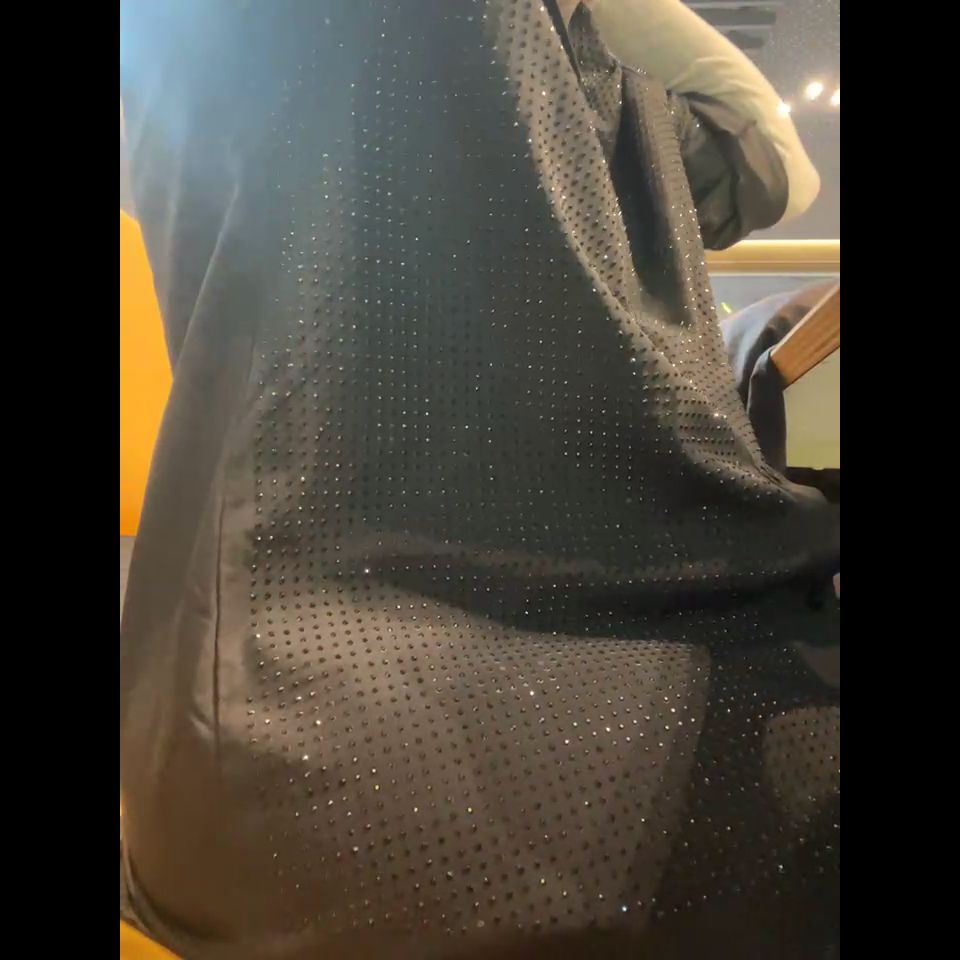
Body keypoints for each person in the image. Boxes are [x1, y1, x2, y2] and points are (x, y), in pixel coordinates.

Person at [120, 2, 839, 958]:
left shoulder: (172, 43)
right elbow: (776, 167)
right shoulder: (583, 88)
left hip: (237, 732)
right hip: (488, 752)